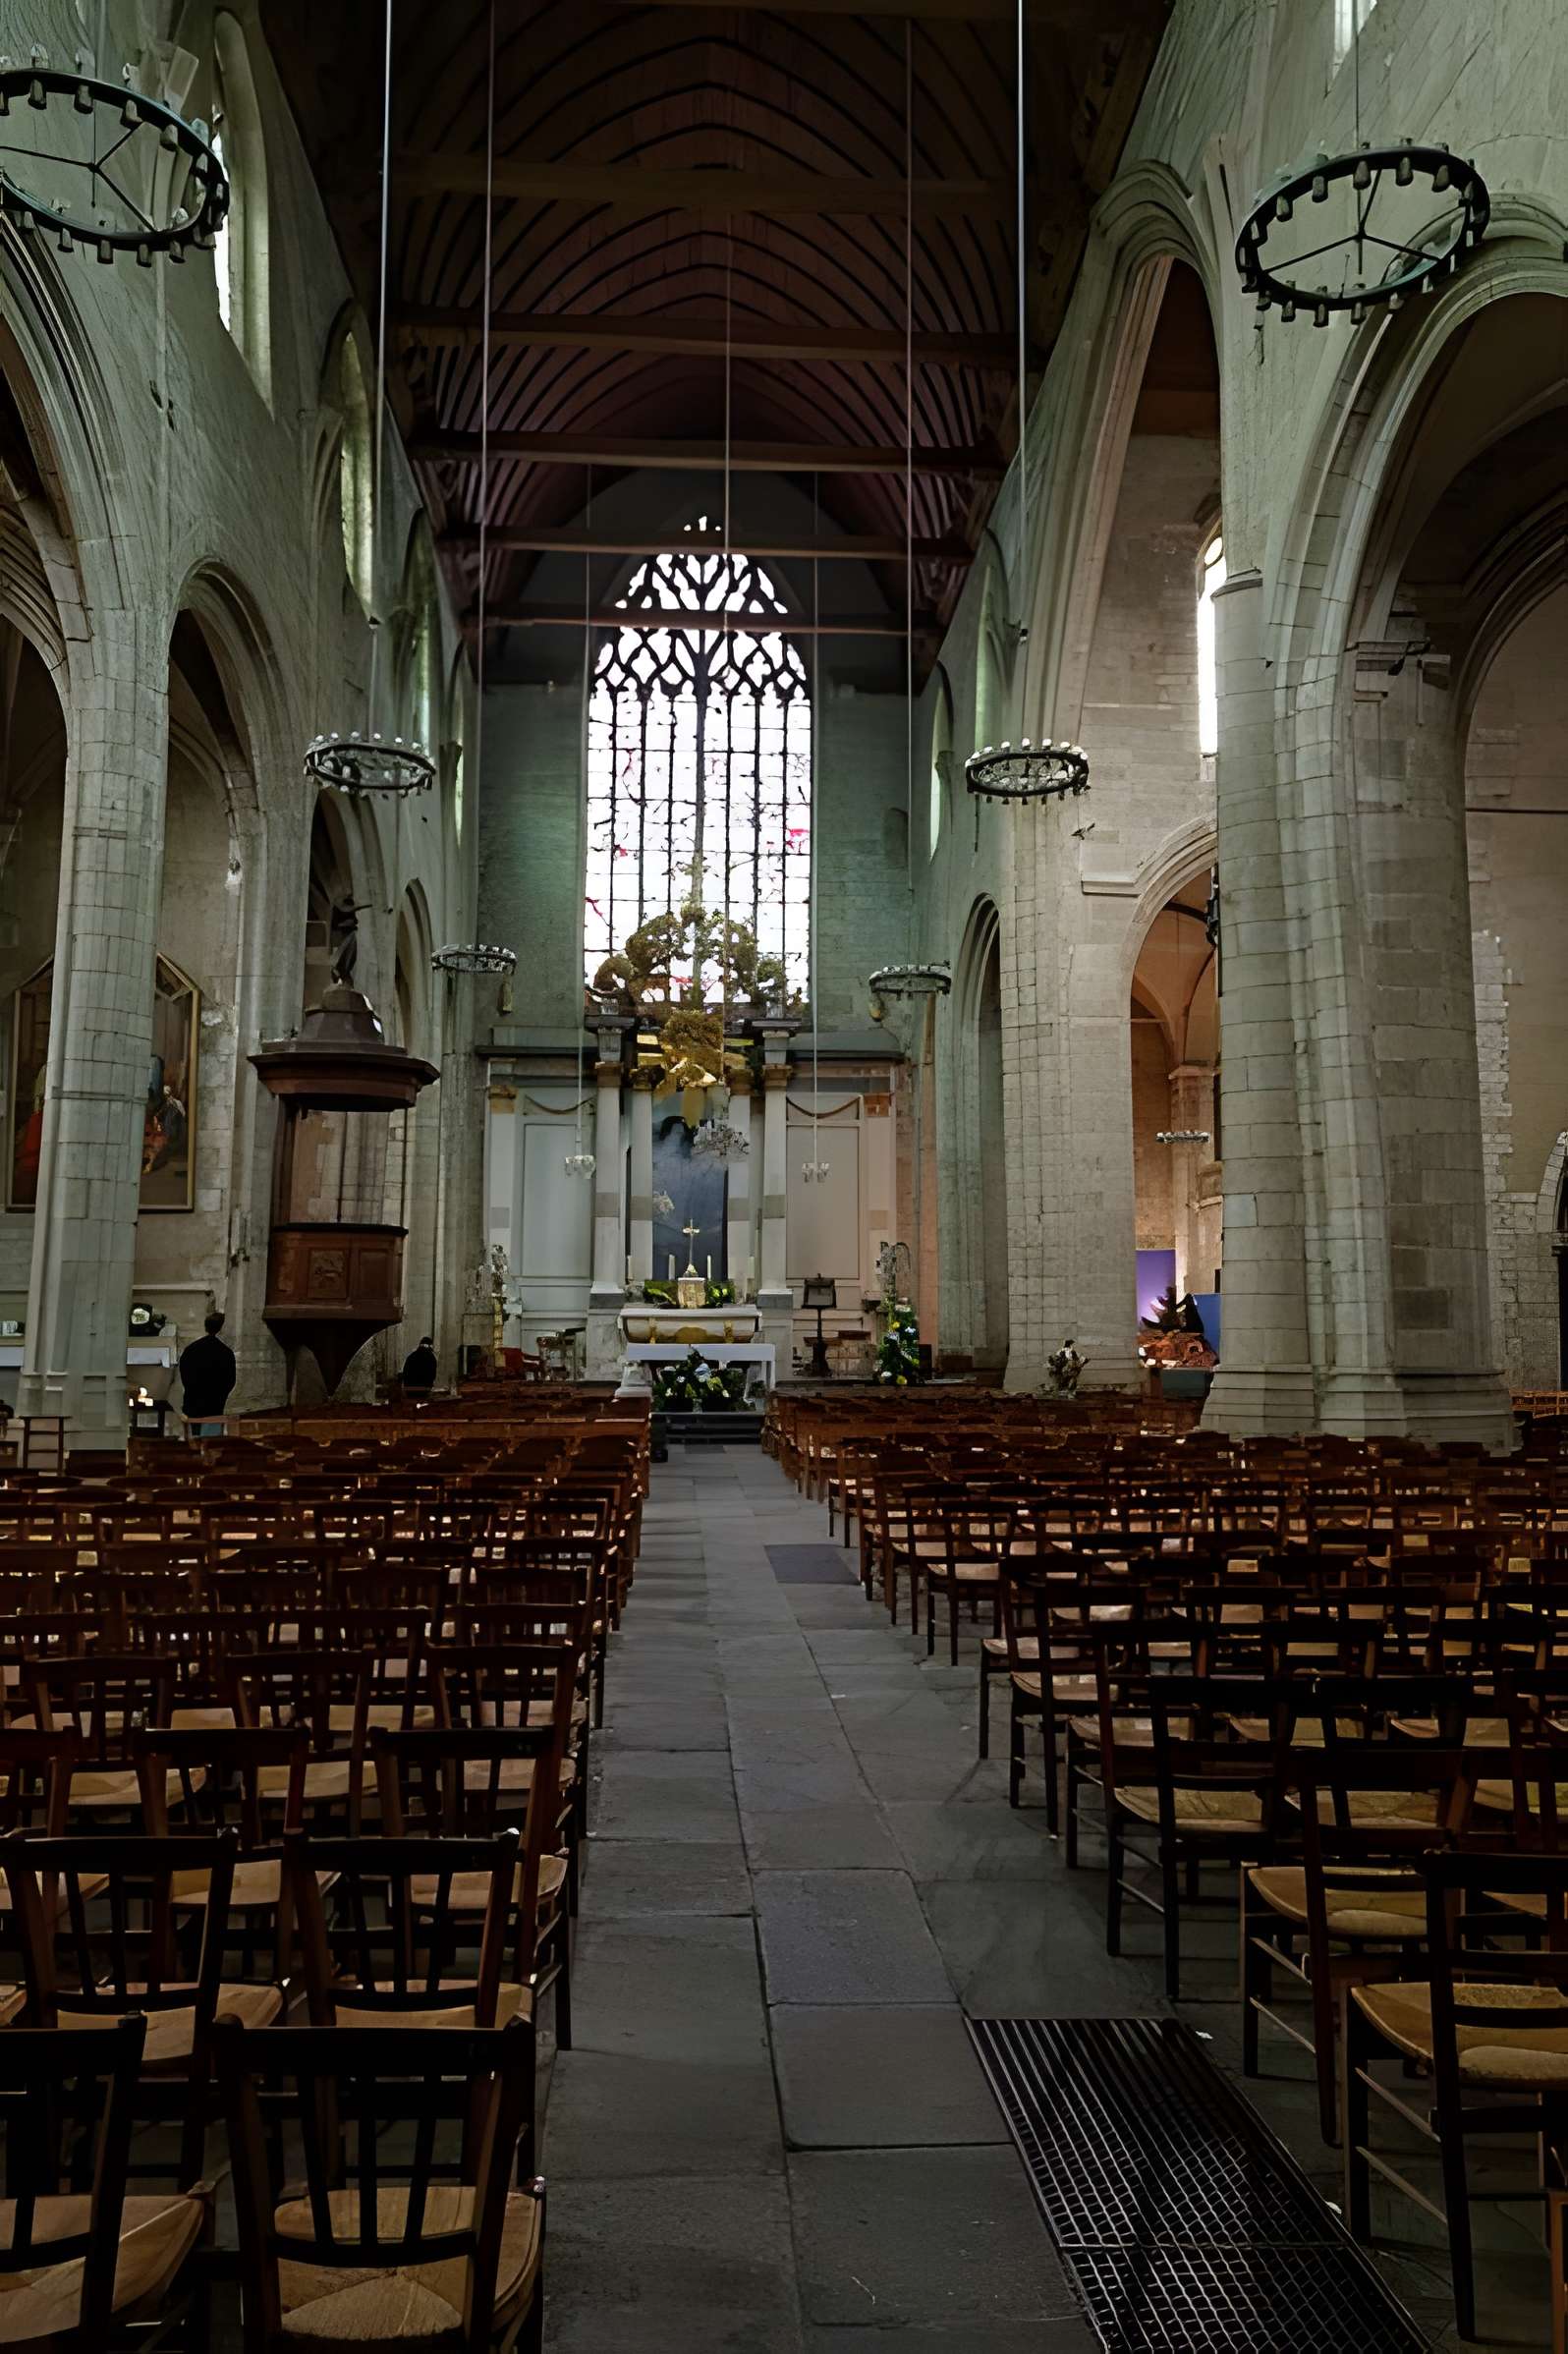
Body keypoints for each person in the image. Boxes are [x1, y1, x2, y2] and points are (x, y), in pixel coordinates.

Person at [179, 1310, 236, 1439]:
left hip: (193, 1403)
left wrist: (192, 1390)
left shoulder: (191, 1349)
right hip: (214, 1405)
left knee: (194, 1440)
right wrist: (220, 1395)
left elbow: (184, 1375)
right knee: (211, 1442)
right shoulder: (225, 1352)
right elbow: (230, 1380)